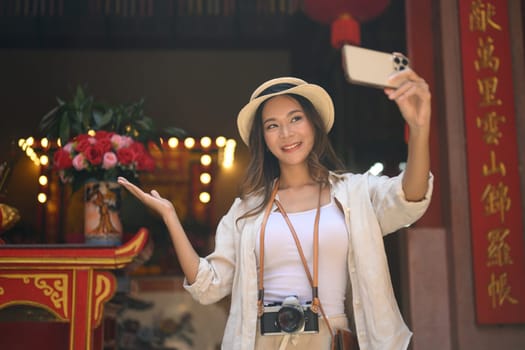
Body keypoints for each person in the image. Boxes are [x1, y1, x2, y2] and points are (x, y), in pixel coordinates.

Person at [118, 67, 433, 350]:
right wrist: (171, 217)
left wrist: (419, 131)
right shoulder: (247, 210)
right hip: (263, 341)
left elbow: (409, 199)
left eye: (296, 118)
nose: (287, 133)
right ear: (263, 138)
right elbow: (208, 286)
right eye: (273, 125)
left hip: (330, 339)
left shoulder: (354, 193)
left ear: (314, 123)